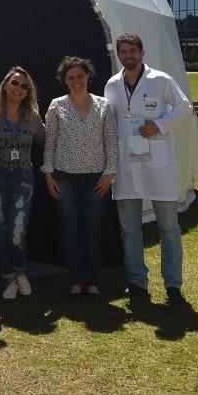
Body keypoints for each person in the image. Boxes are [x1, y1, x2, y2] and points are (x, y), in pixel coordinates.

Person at [104, 33, 194, 307]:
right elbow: (110, 122)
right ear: (118, 54)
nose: (128, 56)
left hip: (157, 163)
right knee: (129, 229)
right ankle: (137, 282)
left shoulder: (161, 80)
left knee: (168, 227)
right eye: (123, 52)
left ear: (142, 52)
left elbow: (184, 107)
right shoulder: (112, 85)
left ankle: (173, 284)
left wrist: (160, 125)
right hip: (126, 164)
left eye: (132, 51)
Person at [42, 55, 117, 297]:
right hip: (65, 177)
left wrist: (110, 172)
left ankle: (91, 280)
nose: (76, 81)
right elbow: (50, 143)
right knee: (71, 230)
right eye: (71, 77)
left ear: (88, 77)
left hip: (96, 178)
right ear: (64, 80)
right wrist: (48, 174)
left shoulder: (103, 105)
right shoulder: (57, 106)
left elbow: (111, 142)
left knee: (92, 230)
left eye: (80, 76)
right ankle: (75, 280)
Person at [0, 67, 45, 300]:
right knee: (0, 230)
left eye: (24, 86)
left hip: (22, 177)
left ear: (29, 92)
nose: (19, 88)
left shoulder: (33, 116)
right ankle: (9, 278)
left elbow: (47, 141)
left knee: (17, 229)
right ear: (5, 85)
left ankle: (19, 271)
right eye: (15, 83)